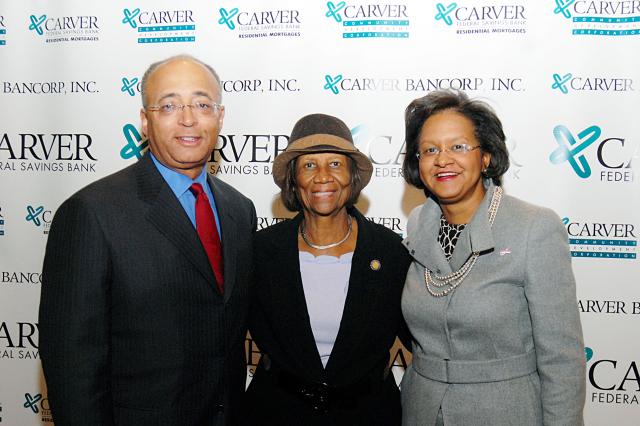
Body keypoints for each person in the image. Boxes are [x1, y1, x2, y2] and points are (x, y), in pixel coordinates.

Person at [39, 55, 256, 425]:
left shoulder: (240, 210)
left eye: (202, 105)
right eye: (169, 105)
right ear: (145, 120)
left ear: (220, 118)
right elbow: (71, 364)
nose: (188, 118)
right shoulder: (92, 213)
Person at [400, 90, 585, 425]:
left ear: (485, 156)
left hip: (504, 411)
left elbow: (562, 359)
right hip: (422, 411)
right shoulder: (418, 224)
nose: (443, 159)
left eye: (458, 146)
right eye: (430, 150)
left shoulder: (534, 227)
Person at [242, 114, 412, 425]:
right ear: (294, 180)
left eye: (335, 164)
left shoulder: (391, 252)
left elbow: (424, 340)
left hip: (369, 416)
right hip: (275, 414)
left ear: (352, 176)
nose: (322, 177)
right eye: (309, 165)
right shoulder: (259, 252)